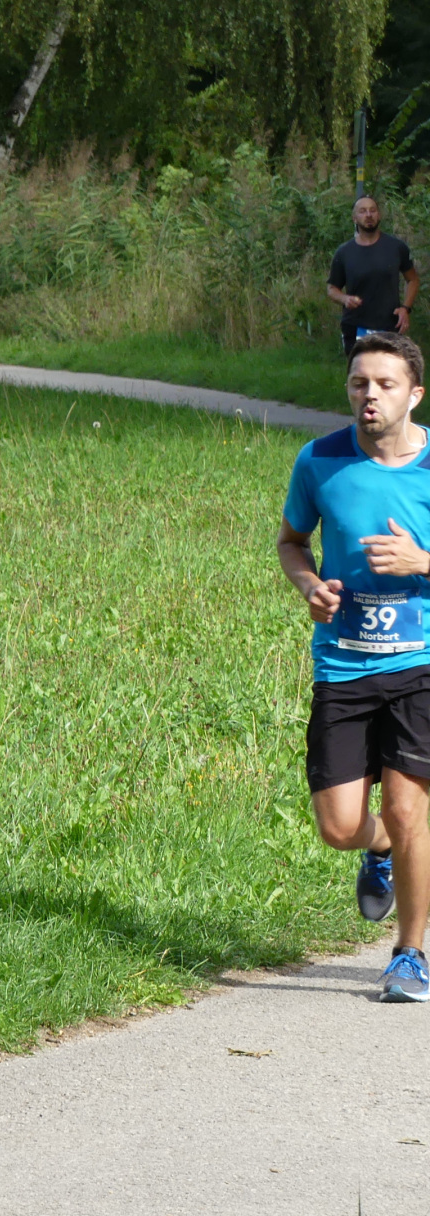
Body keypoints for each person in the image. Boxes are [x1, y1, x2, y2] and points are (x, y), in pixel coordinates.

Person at [278, 329, 430, 1002]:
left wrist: (422, 562)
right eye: (358, 383)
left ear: (414, 394)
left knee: (406, 809)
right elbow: (292, 541)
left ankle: (409, 954)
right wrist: (309, 585)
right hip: (344, 665)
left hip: (421, 664)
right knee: (340, 826)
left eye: (385, 384)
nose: (370, 395)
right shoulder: (319, 461)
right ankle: (380, 849)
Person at [327, 196, 419, 357]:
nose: (368, 215)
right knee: (360, 369)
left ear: (379, 215)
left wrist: (405, 308)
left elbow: (412, 279)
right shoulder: (344, 252)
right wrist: (345, 299)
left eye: (372, 210)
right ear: (354, 218)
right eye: (362, 211)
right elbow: (332, 288)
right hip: (356, 326)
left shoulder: (396, 247)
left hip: (389, 325)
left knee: (387, 369)